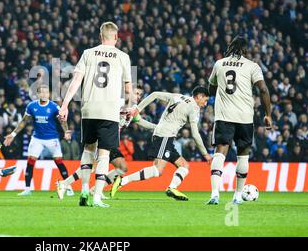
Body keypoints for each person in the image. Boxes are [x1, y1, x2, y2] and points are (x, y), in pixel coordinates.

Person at [58, 21, 132, 208]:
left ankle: (83, 190)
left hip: (89, 109)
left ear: (100, 36)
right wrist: (129, 107)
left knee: (88, 150)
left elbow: (75, 81)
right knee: (104, 154)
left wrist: (65, 105)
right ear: (116, 37)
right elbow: (128, 88)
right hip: (109, 111)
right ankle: (97, 196)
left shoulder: (88, 53)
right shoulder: (123, 56)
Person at [111, 86, 212, 201]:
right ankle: (122, 181)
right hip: (165, 136)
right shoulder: (194, 108)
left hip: (164, 135)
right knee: (158, 170)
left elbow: (155, 94)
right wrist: (205, 154)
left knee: (184, 166)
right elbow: (195, 133)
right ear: (199, 96)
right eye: (205, 100)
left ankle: (172, 187)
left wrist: (137, 109)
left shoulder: (178, 96)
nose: (205, 104)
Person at [56, 86, 156, 200]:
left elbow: (140, 121)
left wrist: (157, 127)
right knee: (91, 167)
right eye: (136, 93)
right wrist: (122, 111)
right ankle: (64, 184)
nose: (137, 96)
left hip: (111, 139)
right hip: (101, 137)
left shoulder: (133, 109)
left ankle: (94, 190)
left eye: (139, 95)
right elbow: (105, 112)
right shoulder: (118, 101)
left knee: (122, 168)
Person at [206, 35, 272, 205]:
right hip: (245, 117)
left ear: (230, 47)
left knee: (220, 152)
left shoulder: (219, 63)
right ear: (245, 49)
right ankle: (237, 196)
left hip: (224, 116)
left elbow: (211, 88)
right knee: (243, 155)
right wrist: (268, 114)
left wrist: (220, 92)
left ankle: (215, 194)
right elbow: (263, 89)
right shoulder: (252, 66)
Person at [4, 85, 73, 196]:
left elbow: (62, 120)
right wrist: (13, 134)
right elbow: (23, 121)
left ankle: (68, 186)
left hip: (52, 138)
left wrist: (66, 131)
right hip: (37, 138)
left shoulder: (54, 107)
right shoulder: (31, 106)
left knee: (59, 161)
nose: (45, 94)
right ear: (38, 94)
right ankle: (27, 189)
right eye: (42, 92)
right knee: (30, 161)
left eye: (47, 92)